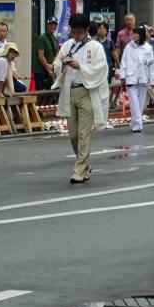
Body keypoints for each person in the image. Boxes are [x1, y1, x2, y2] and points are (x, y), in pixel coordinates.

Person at [53, 13, 110, 184]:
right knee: (73, 134)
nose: (76, 36)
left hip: (87, 91)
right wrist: (61, 63)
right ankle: (84, 164)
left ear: (86, 30)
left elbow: (101, 69)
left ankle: (79, 170)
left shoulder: (95, 47)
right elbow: (56, 64)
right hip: (70, 91)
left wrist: (81, 67)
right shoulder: (68, 45)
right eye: (73, 32)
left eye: (79, 32)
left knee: (84, 133)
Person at [120, 25, 154, 133]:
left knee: (141, 103)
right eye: (133, 33)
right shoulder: (128, 47)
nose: (134, 36)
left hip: (143, 78)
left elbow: (152, 65)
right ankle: (137, 125)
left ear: (141, 35)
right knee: (134, 102)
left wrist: (153, 80)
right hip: (131, 78)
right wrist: (122, 76)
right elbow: (124, 62)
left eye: (136, 33)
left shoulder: (148, 48)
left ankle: (134, 122)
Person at [34, 18, 60, 91]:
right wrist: (47, 66)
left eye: (55, 24)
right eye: (51, 24)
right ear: (47, 25)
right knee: (40, 93)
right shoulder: (42, 38)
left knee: (51, 93)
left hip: (51, 71)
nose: (53, 26)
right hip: (40, 71)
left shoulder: (56, 39)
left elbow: (57, 54)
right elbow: (40, 55)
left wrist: (52, 65)